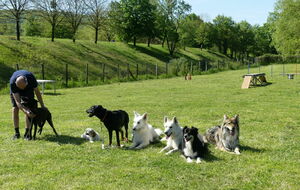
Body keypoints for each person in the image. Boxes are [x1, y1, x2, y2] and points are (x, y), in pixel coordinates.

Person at [10, 70, 45, 140]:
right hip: (16, 92)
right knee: (15, 109)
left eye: (22, 87)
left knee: (30, 108)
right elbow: (18, 102)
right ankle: (17, 133)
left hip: (28, 90)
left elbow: (37, 93)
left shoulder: (31, 78)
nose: (21, 89)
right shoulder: (13, 83)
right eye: (20, 87)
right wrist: (25, 111)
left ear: (26, 82)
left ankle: (27, 132)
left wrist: (42, 106)